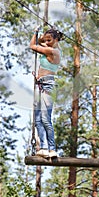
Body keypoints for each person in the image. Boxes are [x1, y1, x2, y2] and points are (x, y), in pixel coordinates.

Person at [30, 27, 63, 158]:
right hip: (40, 84)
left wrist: (35, 32)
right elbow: (39, 42)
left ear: (56, 40)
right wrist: (41, 36)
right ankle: (43, 147)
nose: (46, 42)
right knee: (37, 119)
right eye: (46, 40)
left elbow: (33, 45)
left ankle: (52, 148)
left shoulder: (52, 51)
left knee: (45, 119)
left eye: (49, 40)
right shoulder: (49, 47)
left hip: (48, 85)